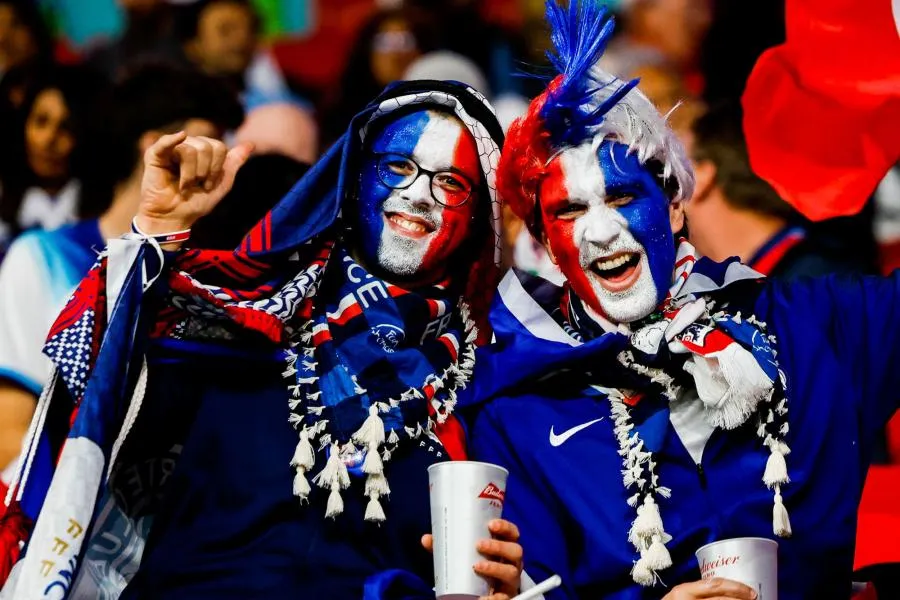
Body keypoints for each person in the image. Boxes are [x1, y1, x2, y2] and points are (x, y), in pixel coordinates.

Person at [3, 79, 525, 600]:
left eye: (452, 183)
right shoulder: (241, 316)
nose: (418, 195)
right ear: (354, 175)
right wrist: (156, 231)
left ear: (481, 215)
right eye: (399, 167)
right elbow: (87, 380)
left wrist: (507, 585)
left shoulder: (491, 378)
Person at [465, 1, 899, 598]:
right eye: (568, 211)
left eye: (621, 198)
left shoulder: (815, 326)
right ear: (545, 243)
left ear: (673, 206)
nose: (601, 232)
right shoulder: (516, 405)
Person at [0, 63, 242, 496]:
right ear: (157, 145)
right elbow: (10, 435)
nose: (218, 160)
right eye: (205, 142)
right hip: (57, 526)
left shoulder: (209, 283)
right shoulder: (40, 257)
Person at [685, 102, 875, 279]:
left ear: (702, 177)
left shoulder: (816, 282)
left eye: (672, 165)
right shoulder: (784, 275)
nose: (658, 182)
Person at [0, 65, 105, 258]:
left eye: (66, 127)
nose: (49, 139)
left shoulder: (104, 218)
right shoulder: (4, 199)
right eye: (41, 121)